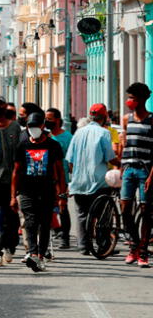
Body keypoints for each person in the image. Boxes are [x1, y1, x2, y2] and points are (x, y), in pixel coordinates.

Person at [11, 113, 66, 272]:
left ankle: (41, 255)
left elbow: (59, 171)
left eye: (36, 126)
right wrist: (13, 196)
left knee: (44, 224)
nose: (33, 130)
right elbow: (16, 172)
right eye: (30, 127)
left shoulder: (53, 145)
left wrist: (61, 194)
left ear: (43, 126)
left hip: (47, 190)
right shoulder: (22, 146)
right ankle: (33, 253)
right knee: (30, 222)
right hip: (26, 191)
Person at [66, 104, 119, 255]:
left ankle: (83, 246)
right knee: (103, 215)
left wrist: (75, 174)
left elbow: (70, 160)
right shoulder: (104, 133)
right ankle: (103, 245)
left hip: (79, 182)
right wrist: (121, 164)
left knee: (82, 215)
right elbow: (110, 157)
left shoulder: (78, 133)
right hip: (99, 182)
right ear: (104, 118)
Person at [120, 82, 153, 268]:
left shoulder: (151, 120)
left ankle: (142, 251)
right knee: (125, 209)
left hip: (145, 171)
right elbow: (125, 144)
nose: (129, 101)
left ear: (142, 99)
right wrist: (121, 165)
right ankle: (134, 243)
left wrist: (150, 177)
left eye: (133, 98)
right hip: (128, 170)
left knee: (145, 211)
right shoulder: (127, 119)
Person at [0, 95, 21, 267]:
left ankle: (10, 246)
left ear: (5, 106)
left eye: (0, 105)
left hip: (11, 180)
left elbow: (20, 154)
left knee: (11, 217)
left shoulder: (15, 127)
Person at [46, 108, 73, 249]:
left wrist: (70, 181)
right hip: (48, 177)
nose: (47, 121)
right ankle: (54, 231)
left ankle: (65, 238)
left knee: (63, 207)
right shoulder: (47, 136)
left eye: (49, 118)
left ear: (57, 120)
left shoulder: (67, 137)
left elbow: (72, 161)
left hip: (62, 178)